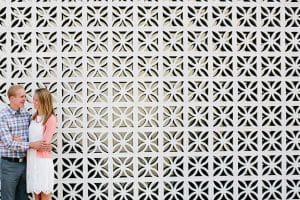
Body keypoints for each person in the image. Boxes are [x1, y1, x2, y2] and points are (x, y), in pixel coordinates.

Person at [0, 84, 50, 200]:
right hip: (9, 165)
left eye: (25, 96)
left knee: (23, 197)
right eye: (22, 96)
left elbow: (34, 135)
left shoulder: (26, 115)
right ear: (12, 98)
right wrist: (29, 144)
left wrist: (47, 144)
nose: (25, 99)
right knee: (8, 198)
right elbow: (9, 144)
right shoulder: (3, 117)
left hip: (26, 164)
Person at [26, 88, 56, 200]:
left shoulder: (50, 118)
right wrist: (32, 144)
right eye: (34, 100)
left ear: (44, 101)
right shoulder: (33, 117)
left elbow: (43, 144)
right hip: (32, 160)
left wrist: (26, 144)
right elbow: (34, 142)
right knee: (36, 195)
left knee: (44, 194)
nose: (34, 102)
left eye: (37, 100)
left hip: (42, 161)